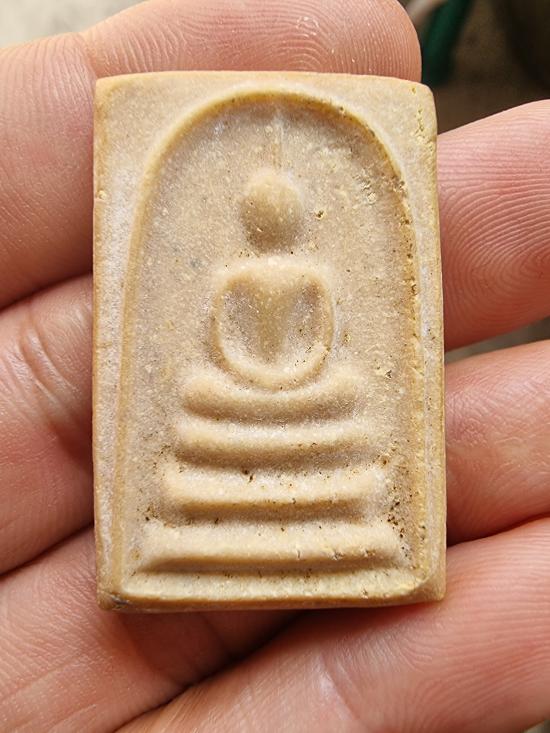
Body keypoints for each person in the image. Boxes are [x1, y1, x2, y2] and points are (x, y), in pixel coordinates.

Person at [0, 0, 549, 730]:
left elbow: (321, 340)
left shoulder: (310, 276)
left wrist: (288, 378)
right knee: (204, 404)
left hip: (299, 386)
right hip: (246, 388)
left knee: (343, 403)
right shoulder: (234, 277)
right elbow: (223, 342)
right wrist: (262, 378)